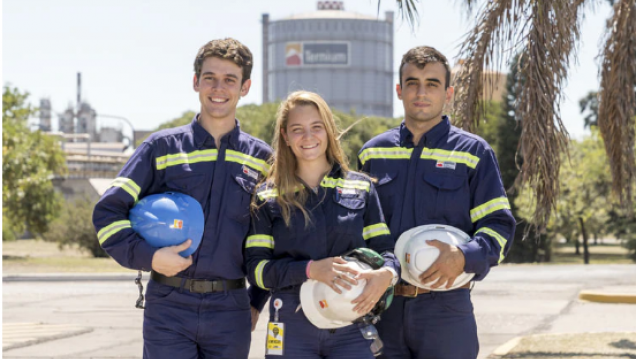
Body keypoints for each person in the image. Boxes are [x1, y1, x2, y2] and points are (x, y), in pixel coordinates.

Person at [92, 38, 271, 359]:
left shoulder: (263, 159)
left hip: (231, 309)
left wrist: (256, 302)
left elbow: (277, 238)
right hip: (169, 305)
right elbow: (108, 213)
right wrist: (148, 257)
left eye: (230, 79)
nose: (219, 87)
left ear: (245, 87)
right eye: (210, 78)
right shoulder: (161, 148)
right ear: (195, 82)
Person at [358, 46, 516, 359]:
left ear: (448, 92)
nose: (421, 92)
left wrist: (464, 256)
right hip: (382, 307)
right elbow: (355, 227)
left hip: (446, 309)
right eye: (412, 83)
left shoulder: (474, 153)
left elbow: (499, 226)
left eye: (432, 83)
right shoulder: (372, 153)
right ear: (399, 90)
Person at [245, 91, 400, 359]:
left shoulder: (361, 187)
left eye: (316, 127)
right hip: (289, 323)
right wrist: (309, 270)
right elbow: (256, 270)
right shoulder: (267, 196)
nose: (308, 137)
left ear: (328, 130)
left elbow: (386, 252)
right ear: (285, 136)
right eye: (297, 129)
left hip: (352, 322)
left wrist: (387, 275)